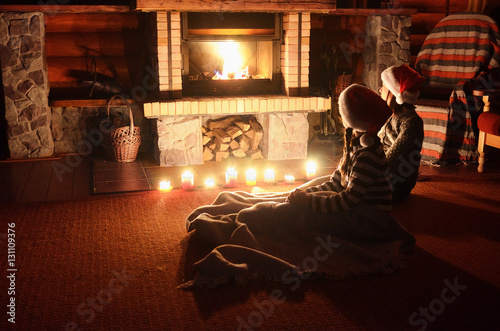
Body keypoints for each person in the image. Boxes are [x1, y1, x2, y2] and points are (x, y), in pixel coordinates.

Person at [287, 84, 394, 214]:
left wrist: (308, 200)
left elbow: (346, 202)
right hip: (355, 209)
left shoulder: (367, 156)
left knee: (294, 212)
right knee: (304, 196)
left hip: (368, 218)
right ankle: (270, 200)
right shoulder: (356, 146)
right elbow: (335, 184)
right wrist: (304, 193)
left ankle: (266, 209)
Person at [377, 64, 425, 203]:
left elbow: (393, 158)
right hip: (381, 173)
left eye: (384, 87)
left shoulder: (411, 121)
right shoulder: (391, 116)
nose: (380, 90)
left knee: (355, 187)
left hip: (397, 182)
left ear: (394, 93)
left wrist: (369, 166)